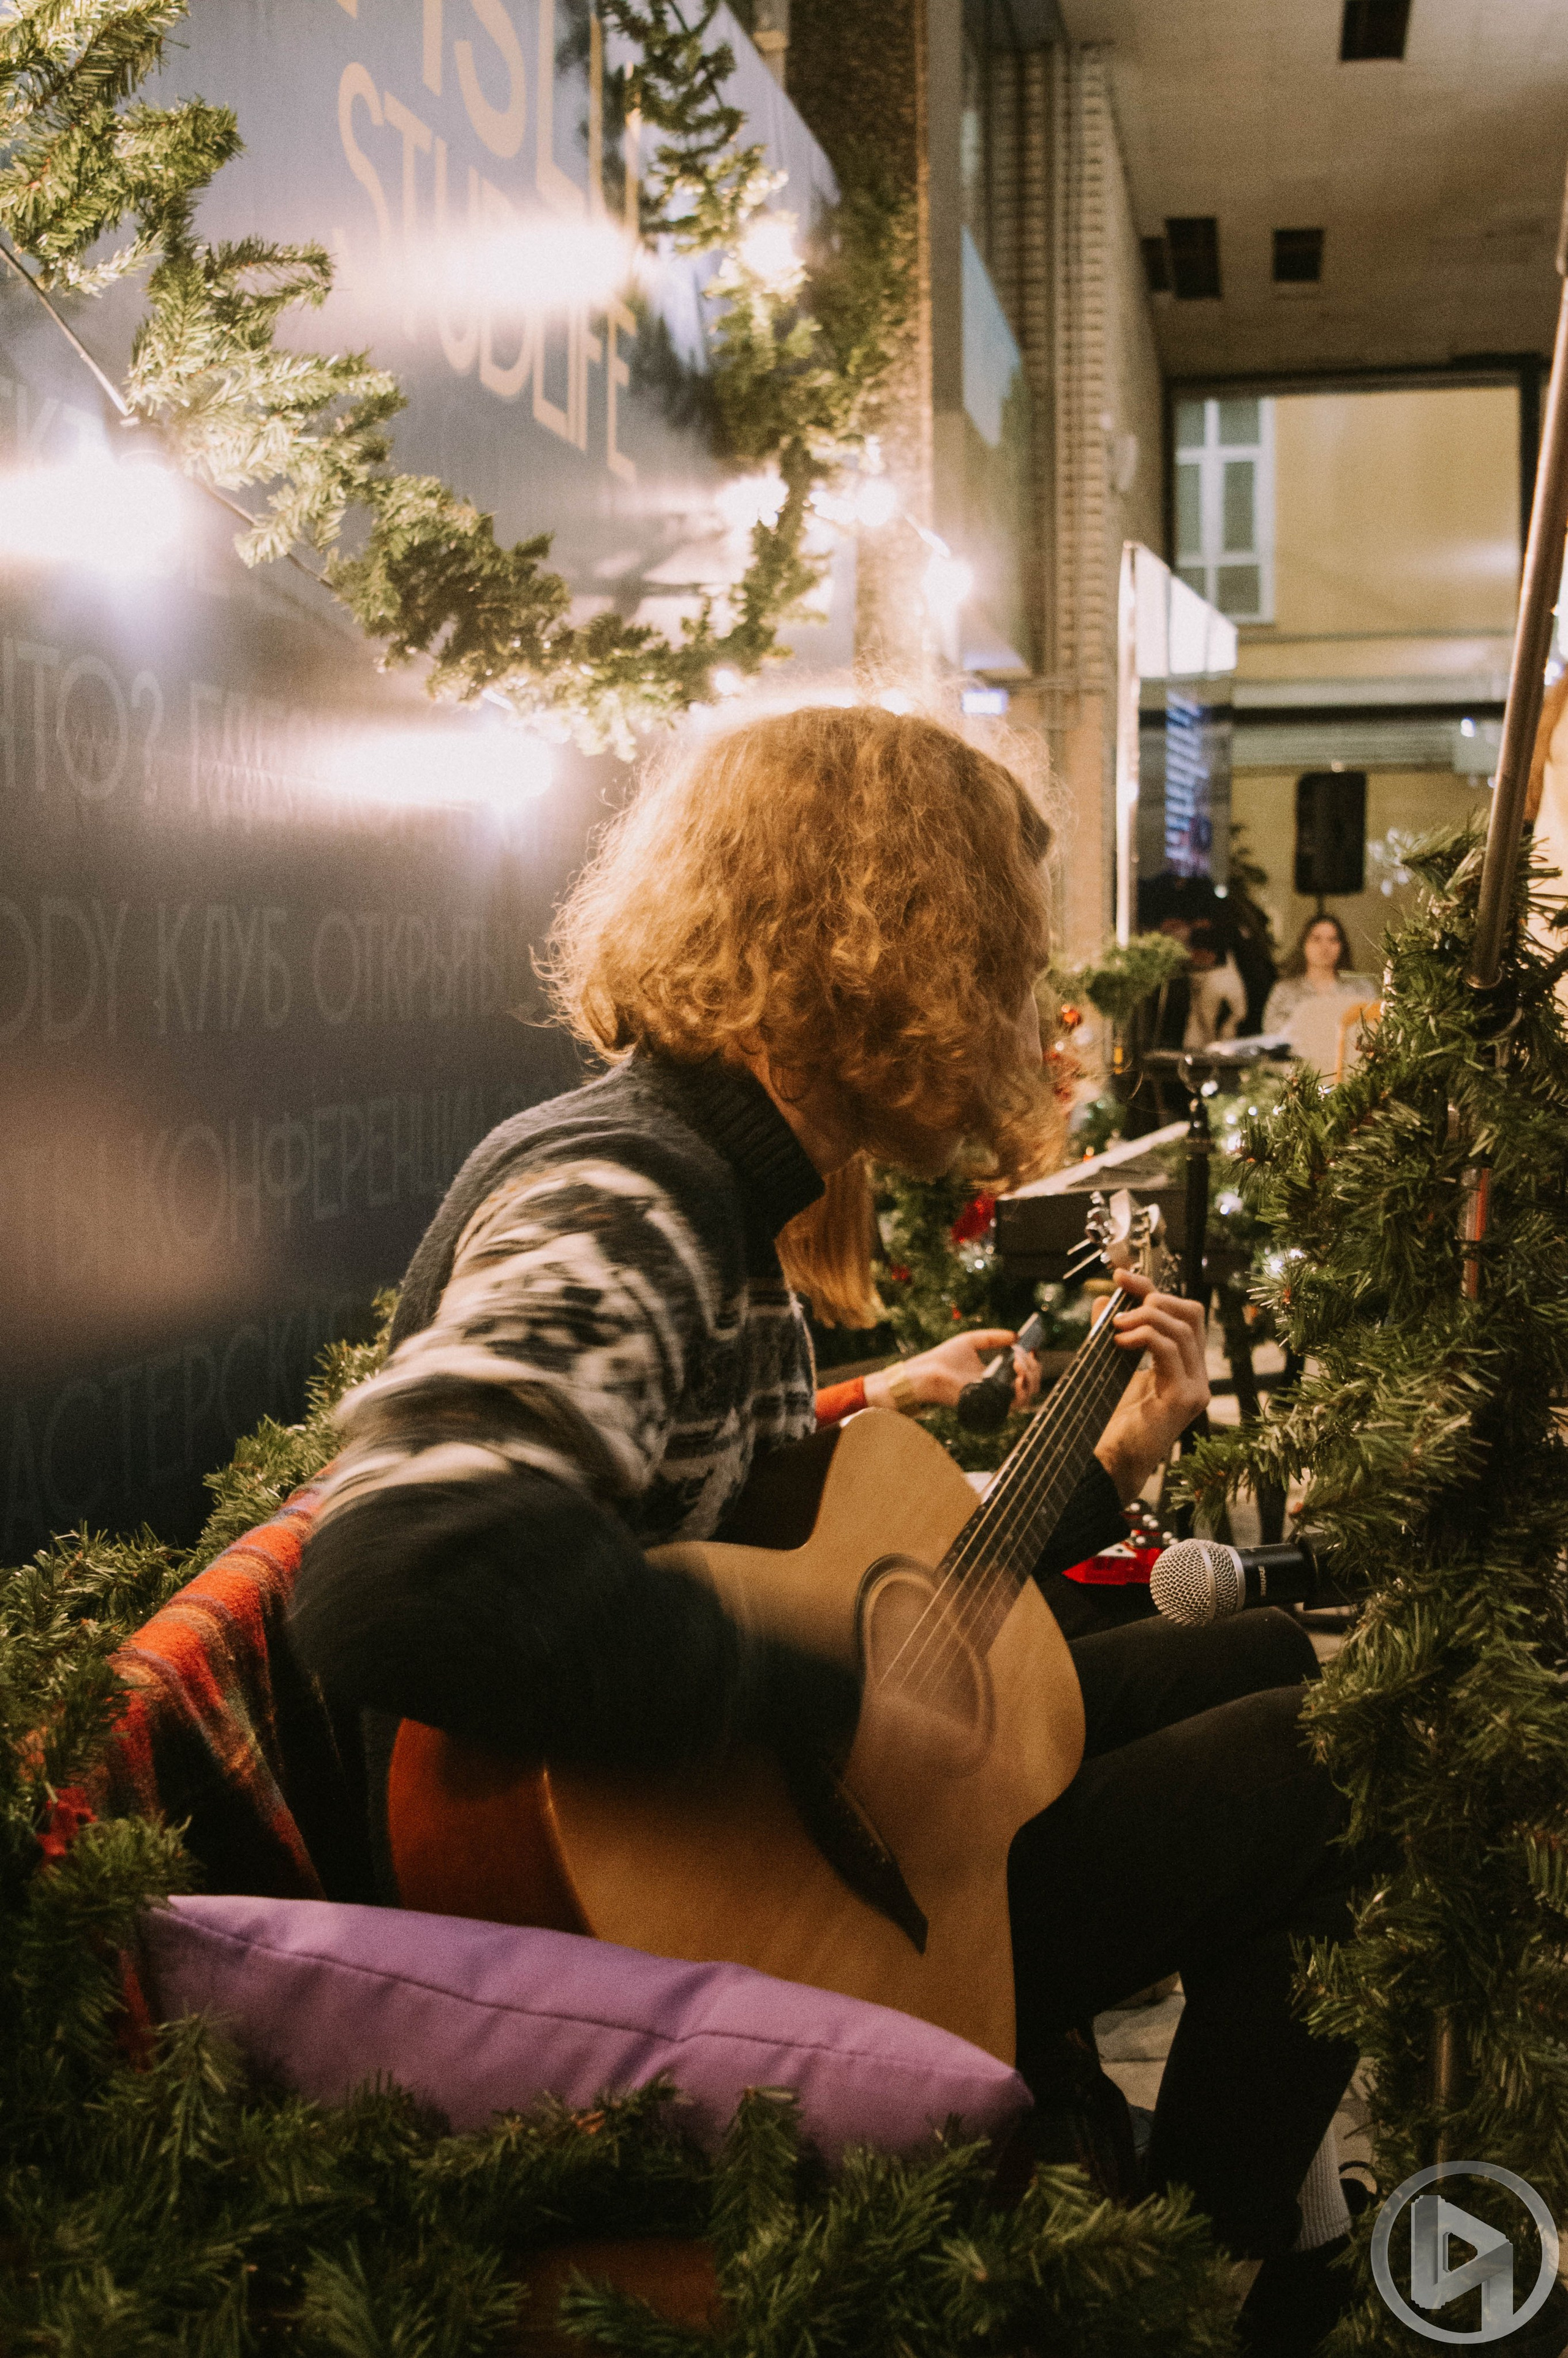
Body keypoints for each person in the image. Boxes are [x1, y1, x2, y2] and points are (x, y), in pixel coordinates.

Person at [289, 706, 1359, 2354]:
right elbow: (396, 1570)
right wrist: (838, 1699)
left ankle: (1221, 2238)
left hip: (768, 1822)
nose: (1024, 1004)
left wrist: (1091, 1478)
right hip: (699, 1920)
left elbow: (844, 1595)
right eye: (998, 952)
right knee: (1339, 1746)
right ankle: (1192, 2275)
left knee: (1275, 1648)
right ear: (876, 942)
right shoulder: (624, 1193)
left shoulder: (734, 1204)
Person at [1264, 914, 1372, 1075]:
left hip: (1349, 1072)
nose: (1324, 947)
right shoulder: (1285, 991)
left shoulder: (1360, 989)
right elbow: (1273, 1036)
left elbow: (1372, 1032)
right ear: (1304, 944)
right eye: (1316, 939)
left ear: (1342, 946)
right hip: (1300, 1074)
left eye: (1333, 940)